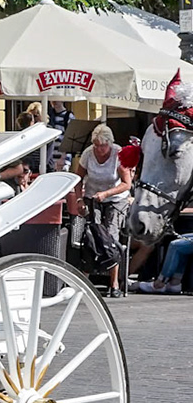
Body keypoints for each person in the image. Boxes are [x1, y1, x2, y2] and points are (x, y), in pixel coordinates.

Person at [70, 123, 132, 295]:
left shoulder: (118, 154)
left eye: (102, 146)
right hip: (92, 196)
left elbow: (127, 184)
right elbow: (78, 179)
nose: (98, 149)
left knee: (110, 236)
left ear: (109, 144)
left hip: (115, 199)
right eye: (96, 145)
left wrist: (106, 193)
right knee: (92, 235)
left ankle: (114, 283)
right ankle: (86, 279)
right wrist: (80, 199)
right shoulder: (88, 154)